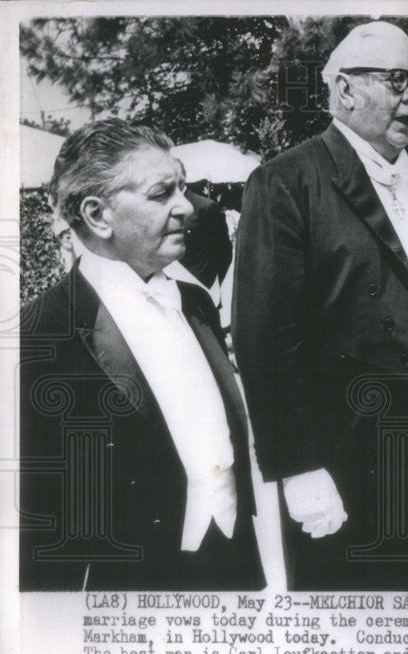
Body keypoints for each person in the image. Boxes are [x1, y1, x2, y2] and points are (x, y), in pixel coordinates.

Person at [233, 22, 408, 591]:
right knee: (358, 641)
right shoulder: (287, 182)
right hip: (353, 460)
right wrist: (298, 468)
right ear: (344, 91)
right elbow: (265, 339)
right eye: (396, 80)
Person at [19, 119, 265, 591]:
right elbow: (37, 529)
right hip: (132, 589)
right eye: (161, 194)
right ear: (97, 216)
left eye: (183, 187)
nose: (187, 207)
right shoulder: (39, 335)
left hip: (235, 563)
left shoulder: (195, 303)